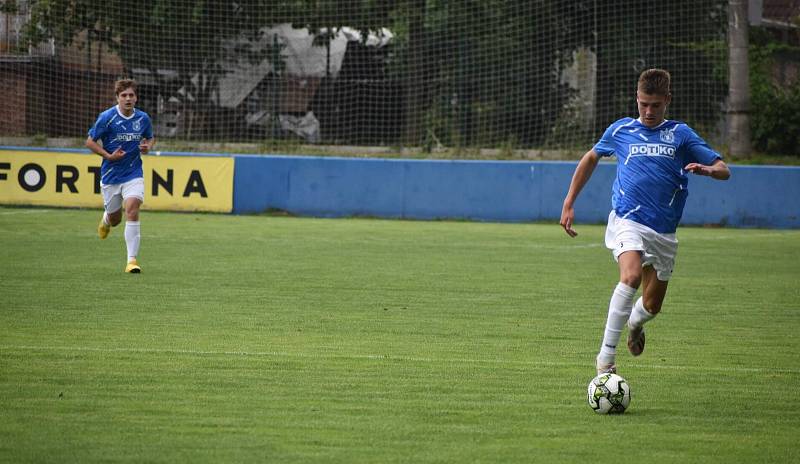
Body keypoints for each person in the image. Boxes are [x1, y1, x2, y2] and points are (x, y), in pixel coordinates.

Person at [559, 69, 730, 375]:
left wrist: (707, 170)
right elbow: (591, 158)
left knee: (651, 307)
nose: (649, 111)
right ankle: (605, 361)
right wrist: (569, 201)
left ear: (667, 100)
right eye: (644, 104)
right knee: (630, 277)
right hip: (628, 220)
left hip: (664, 232)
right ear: (636, 99)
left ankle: (635, 324)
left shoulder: (681, 134)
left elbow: (723, 169)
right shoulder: (621, 130)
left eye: (656, 105)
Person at [86, 78, 155, 273]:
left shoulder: (143, 118)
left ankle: (131, 261)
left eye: (131, 95)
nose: (127, 98)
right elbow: (90, 142)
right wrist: (109, 156)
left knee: (132, 208)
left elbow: (150, 137)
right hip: (111, 175)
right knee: (116, 218)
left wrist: (147, 147)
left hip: (134, 173)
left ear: (136, 98)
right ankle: (106, 220)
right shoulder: (107, 117)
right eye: (123, 95)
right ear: (117, 98)